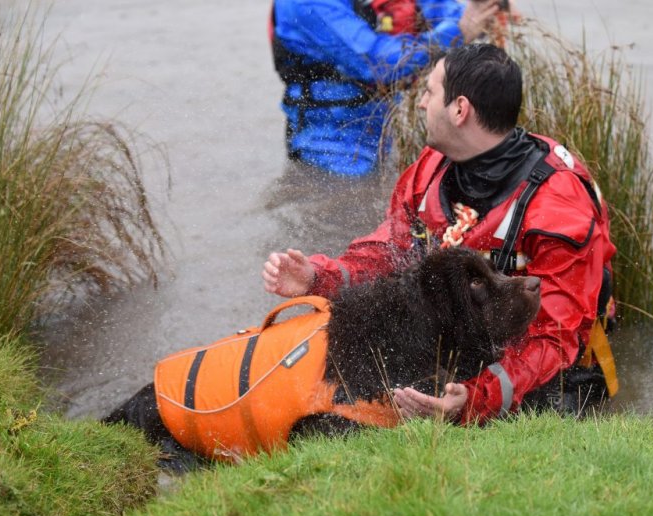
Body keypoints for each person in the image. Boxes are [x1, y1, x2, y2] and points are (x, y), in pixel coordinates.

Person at [262, 43, 618, 424]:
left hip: (552, 366)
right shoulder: (433, 167)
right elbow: (390, 252)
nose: (420, 104)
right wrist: (321, 277)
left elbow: (555, 337)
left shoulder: (557, 205)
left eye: (430, 93)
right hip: (478, 343)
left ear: (460, 110)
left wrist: (476, 400)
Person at [270, 0, 507, 177]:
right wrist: (459, 31)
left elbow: (441, 9)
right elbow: (378, 63)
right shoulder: (305, 3)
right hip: (328, 147)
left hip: (383, 131)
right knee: (337, 225)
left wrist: (484, 8)